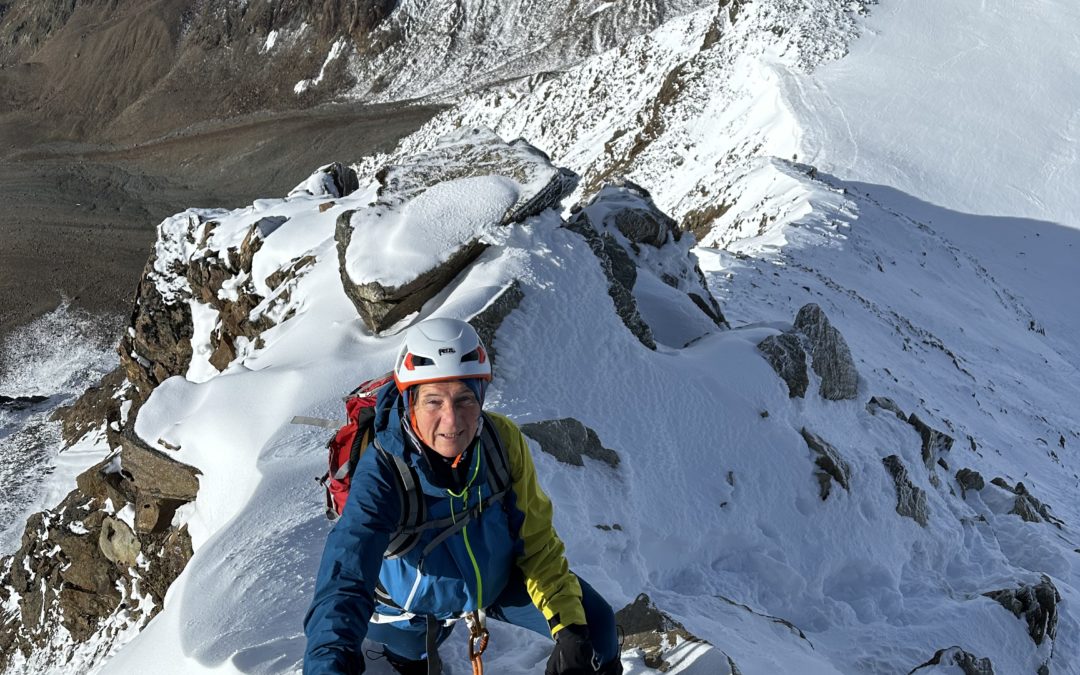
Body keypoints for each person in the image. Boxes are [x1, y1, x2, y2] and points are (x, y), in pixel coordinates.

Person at [304, 318, 622, 675]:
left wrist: (570, 629)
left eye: (464, 399)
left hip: (494, 581)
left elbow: (537, 544)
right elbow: (346, 572)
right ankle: (409, 655)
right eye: (433, 401)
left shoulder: (501, 442)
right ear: (410, 401)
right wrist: (328, 660)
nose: (452, 420)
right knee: (411, 648)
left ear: (481, 397)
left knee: (597, 629)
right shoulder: (384, 468)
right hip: (410, 601)